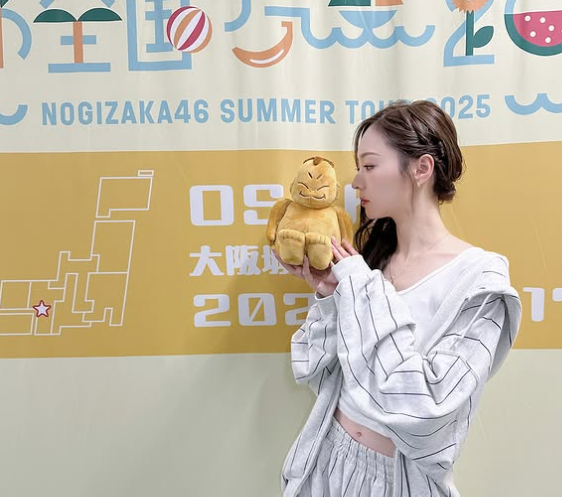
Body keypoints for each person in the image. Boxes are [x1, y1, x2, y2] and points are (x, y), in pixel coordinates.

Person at [276, 100, 522, 497]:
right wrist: (331, 296)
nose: (356, 182)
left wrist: (359, 286)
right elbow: (321, 373)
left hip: (398, 481)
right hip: (327, 461)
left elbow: (429, 410)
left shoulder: (479, 280)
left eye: (370, 166)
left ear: (422, 168)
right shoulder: (371, 262)